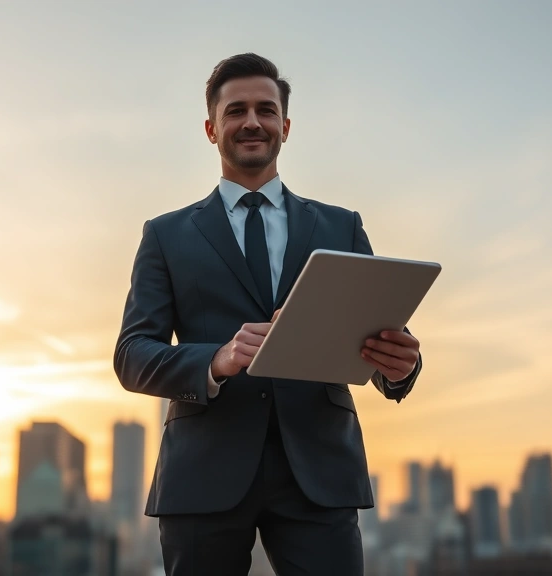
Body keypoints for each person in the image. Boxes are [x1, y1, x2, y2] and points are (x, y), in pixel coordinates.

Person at [113, 53, 422, 576]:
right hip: (203, 473)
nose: (252, 122)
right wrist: (217, 359)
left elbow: (378, 334)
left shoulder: (341, 227)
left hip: (319, 474)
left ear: (285, 126)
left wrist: (401, 366)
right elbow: (132, 355)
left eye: (265, 109)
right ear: (212, 129)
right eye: (236, 111)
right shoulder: (164, 235)